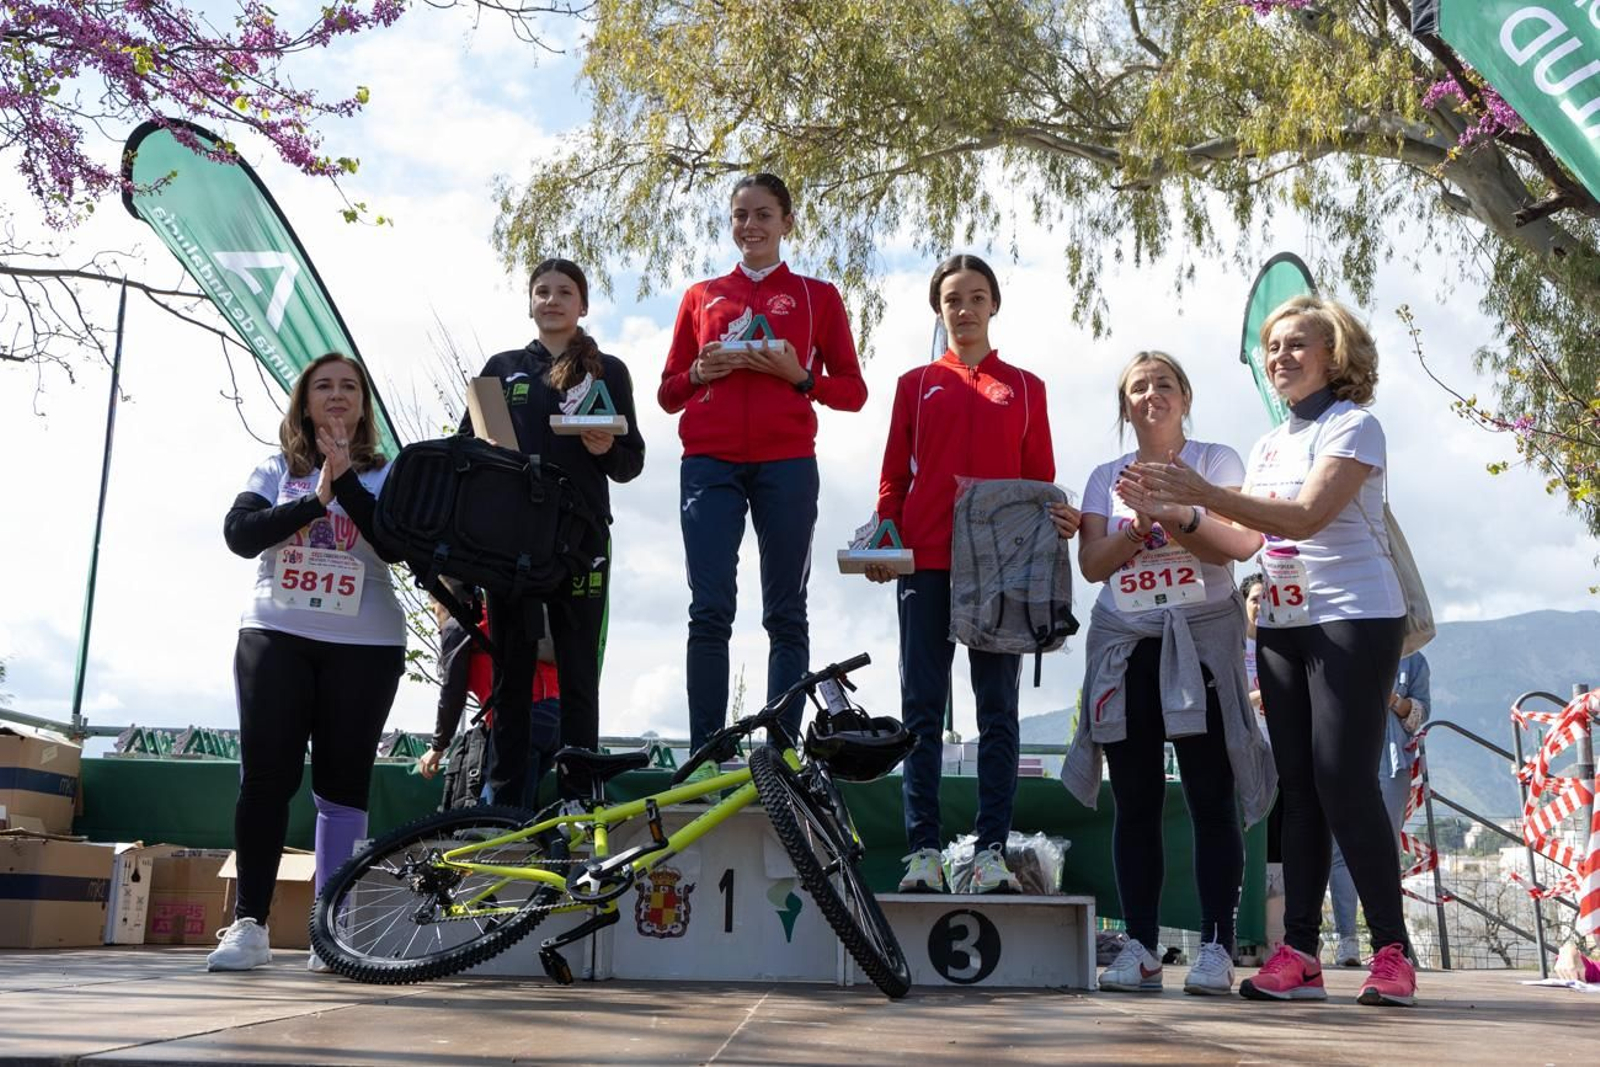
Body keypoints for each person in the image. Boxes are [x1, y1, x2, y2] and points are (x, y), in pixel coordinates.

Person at [1123, 294, 1417, 1007]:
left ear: (1334, 355)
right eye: (1272, 346)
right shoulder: (1266, 444)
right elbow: (1249, 541)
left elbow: (1308, 517)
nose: (1280, 356)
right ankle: (1301, 954)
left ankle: (1391, 950)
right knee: (1301, 787)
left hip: (1355, 617)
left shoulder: (1356, 426)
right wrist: (1181, 514)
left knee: (1345, 780)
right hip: (1283, 624)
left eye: (1297, 344)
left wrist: (1201, 491)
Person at [1061, 351, 1273, 996]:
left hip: (1201, 640)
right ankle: (1143, 947)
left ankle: (1215, 945)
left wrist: (1178, 513)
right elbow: (1093, 565)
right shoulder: (1105, 475)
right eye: (1137, 387)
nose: (1151, 395)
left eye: (1163, 384)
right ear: (1124, 406)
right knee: (1137, 802)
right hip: (1127, 644)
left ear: (1185, 395)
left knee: (1210, 796)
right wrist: (1137, 530)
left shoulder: (1216, 462)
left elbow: (1238, 544)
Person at [869, 253, 1079, 895]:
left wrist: (1060, 520)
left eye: (977, 297)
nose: (964, 309)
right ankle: (924, 852)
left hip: (1001, 570)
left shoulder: (1024, 386)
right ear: (939, 307)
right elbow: (893, 477)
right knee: (922, 710)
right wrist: (887, 532)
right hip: (927, 560)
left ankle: (990, 851)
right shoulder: (914, 382)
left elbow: (1039, 483)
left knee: (998, 713)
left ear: (994, 305)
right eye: (953, 299)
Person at [658, 173, 867, 768]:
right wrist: (700, 373)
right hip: (709, 463)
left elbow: (852, 392)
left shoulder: (815, 296)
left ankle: (780, 752)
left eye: (763, 215)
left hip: (787, 464)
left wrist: (798, 377)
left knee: (785, 610)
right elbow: (668, 392)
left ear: (787, 223)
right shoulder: (703, 295)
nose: (749, 226)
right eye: (740, 216)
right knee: (709, 608)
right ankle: (706, 750)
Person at [211, 353, 406, 973]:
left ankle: (332, 925)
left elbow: (397, 545)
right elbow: (241, 535)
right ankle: (250, 923)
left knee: (341, 785)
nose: (338, 395)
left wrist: (345, 481)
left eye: (350, 386)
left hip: (366, 643)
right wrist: (315, 498)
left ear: (364, 403)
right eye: (324, 386)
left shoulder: (387, 472)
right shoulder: (275, 468)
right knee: (266, 778)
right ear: (305, 401)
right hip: (276, 631)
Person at [465, 258, 644, 804]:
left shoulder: (607, 370)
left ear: (582, 305)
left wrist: (605, 447)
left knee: (577, 673)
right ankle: (504, 800)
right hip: (512, 543)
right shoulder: (502, 366)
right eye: (541, 291)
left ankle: (577, 797)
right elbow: (466, 452)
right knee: (511, 674)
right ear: (530, 302)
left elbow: (631, 462)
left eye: (564, 292)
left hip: (581, 539)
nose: (552, 300)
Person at [417, 587, 562, 811]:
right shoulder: (498, 618)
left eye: (434, 610)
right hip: (555, 718)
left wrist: (438, 746)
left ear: (443, 603)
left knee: (496, 817)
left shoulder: (461, 625)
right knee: (520, 812)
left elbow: (452, 692)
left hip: (522, 717)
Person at [1330, 650, 1430, 966]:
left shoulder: (1414, 660)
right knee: (1340, 850)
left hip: (1391, 761)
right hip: (1343, 756)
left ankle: (1389, 942)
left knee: (1385, 849)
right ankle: (1347, 940)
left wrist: (1395, 701)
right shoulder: (1340, 647)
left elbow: (1420, 713)